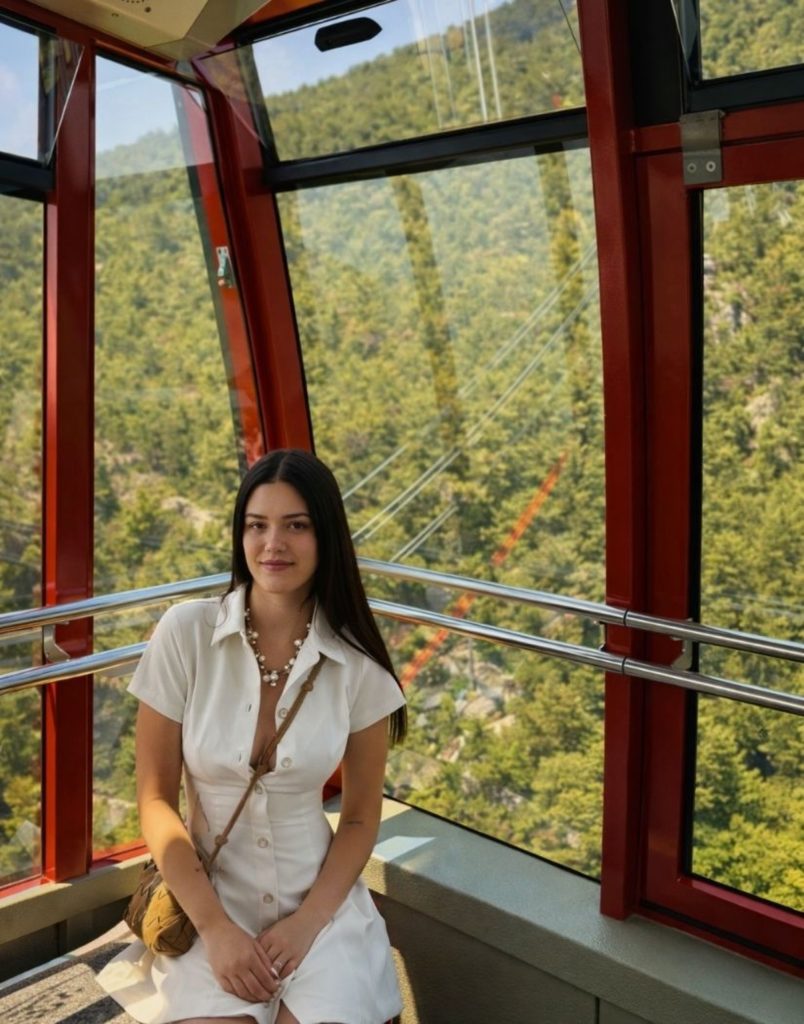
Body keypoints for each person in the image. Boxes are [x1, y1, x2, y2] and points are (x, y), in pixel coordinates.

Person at [97, 449, 407, 1024]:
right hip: (208, 902)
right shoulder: (185, 634)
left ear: (326, 537)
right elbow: (156, 799)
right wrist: (215, 928)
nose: (273, 545)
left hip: (318, 911)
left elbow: (361, 817)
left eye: (296, 526)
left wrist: (308, 923)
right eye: (257, 525)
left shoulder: (358, 664)